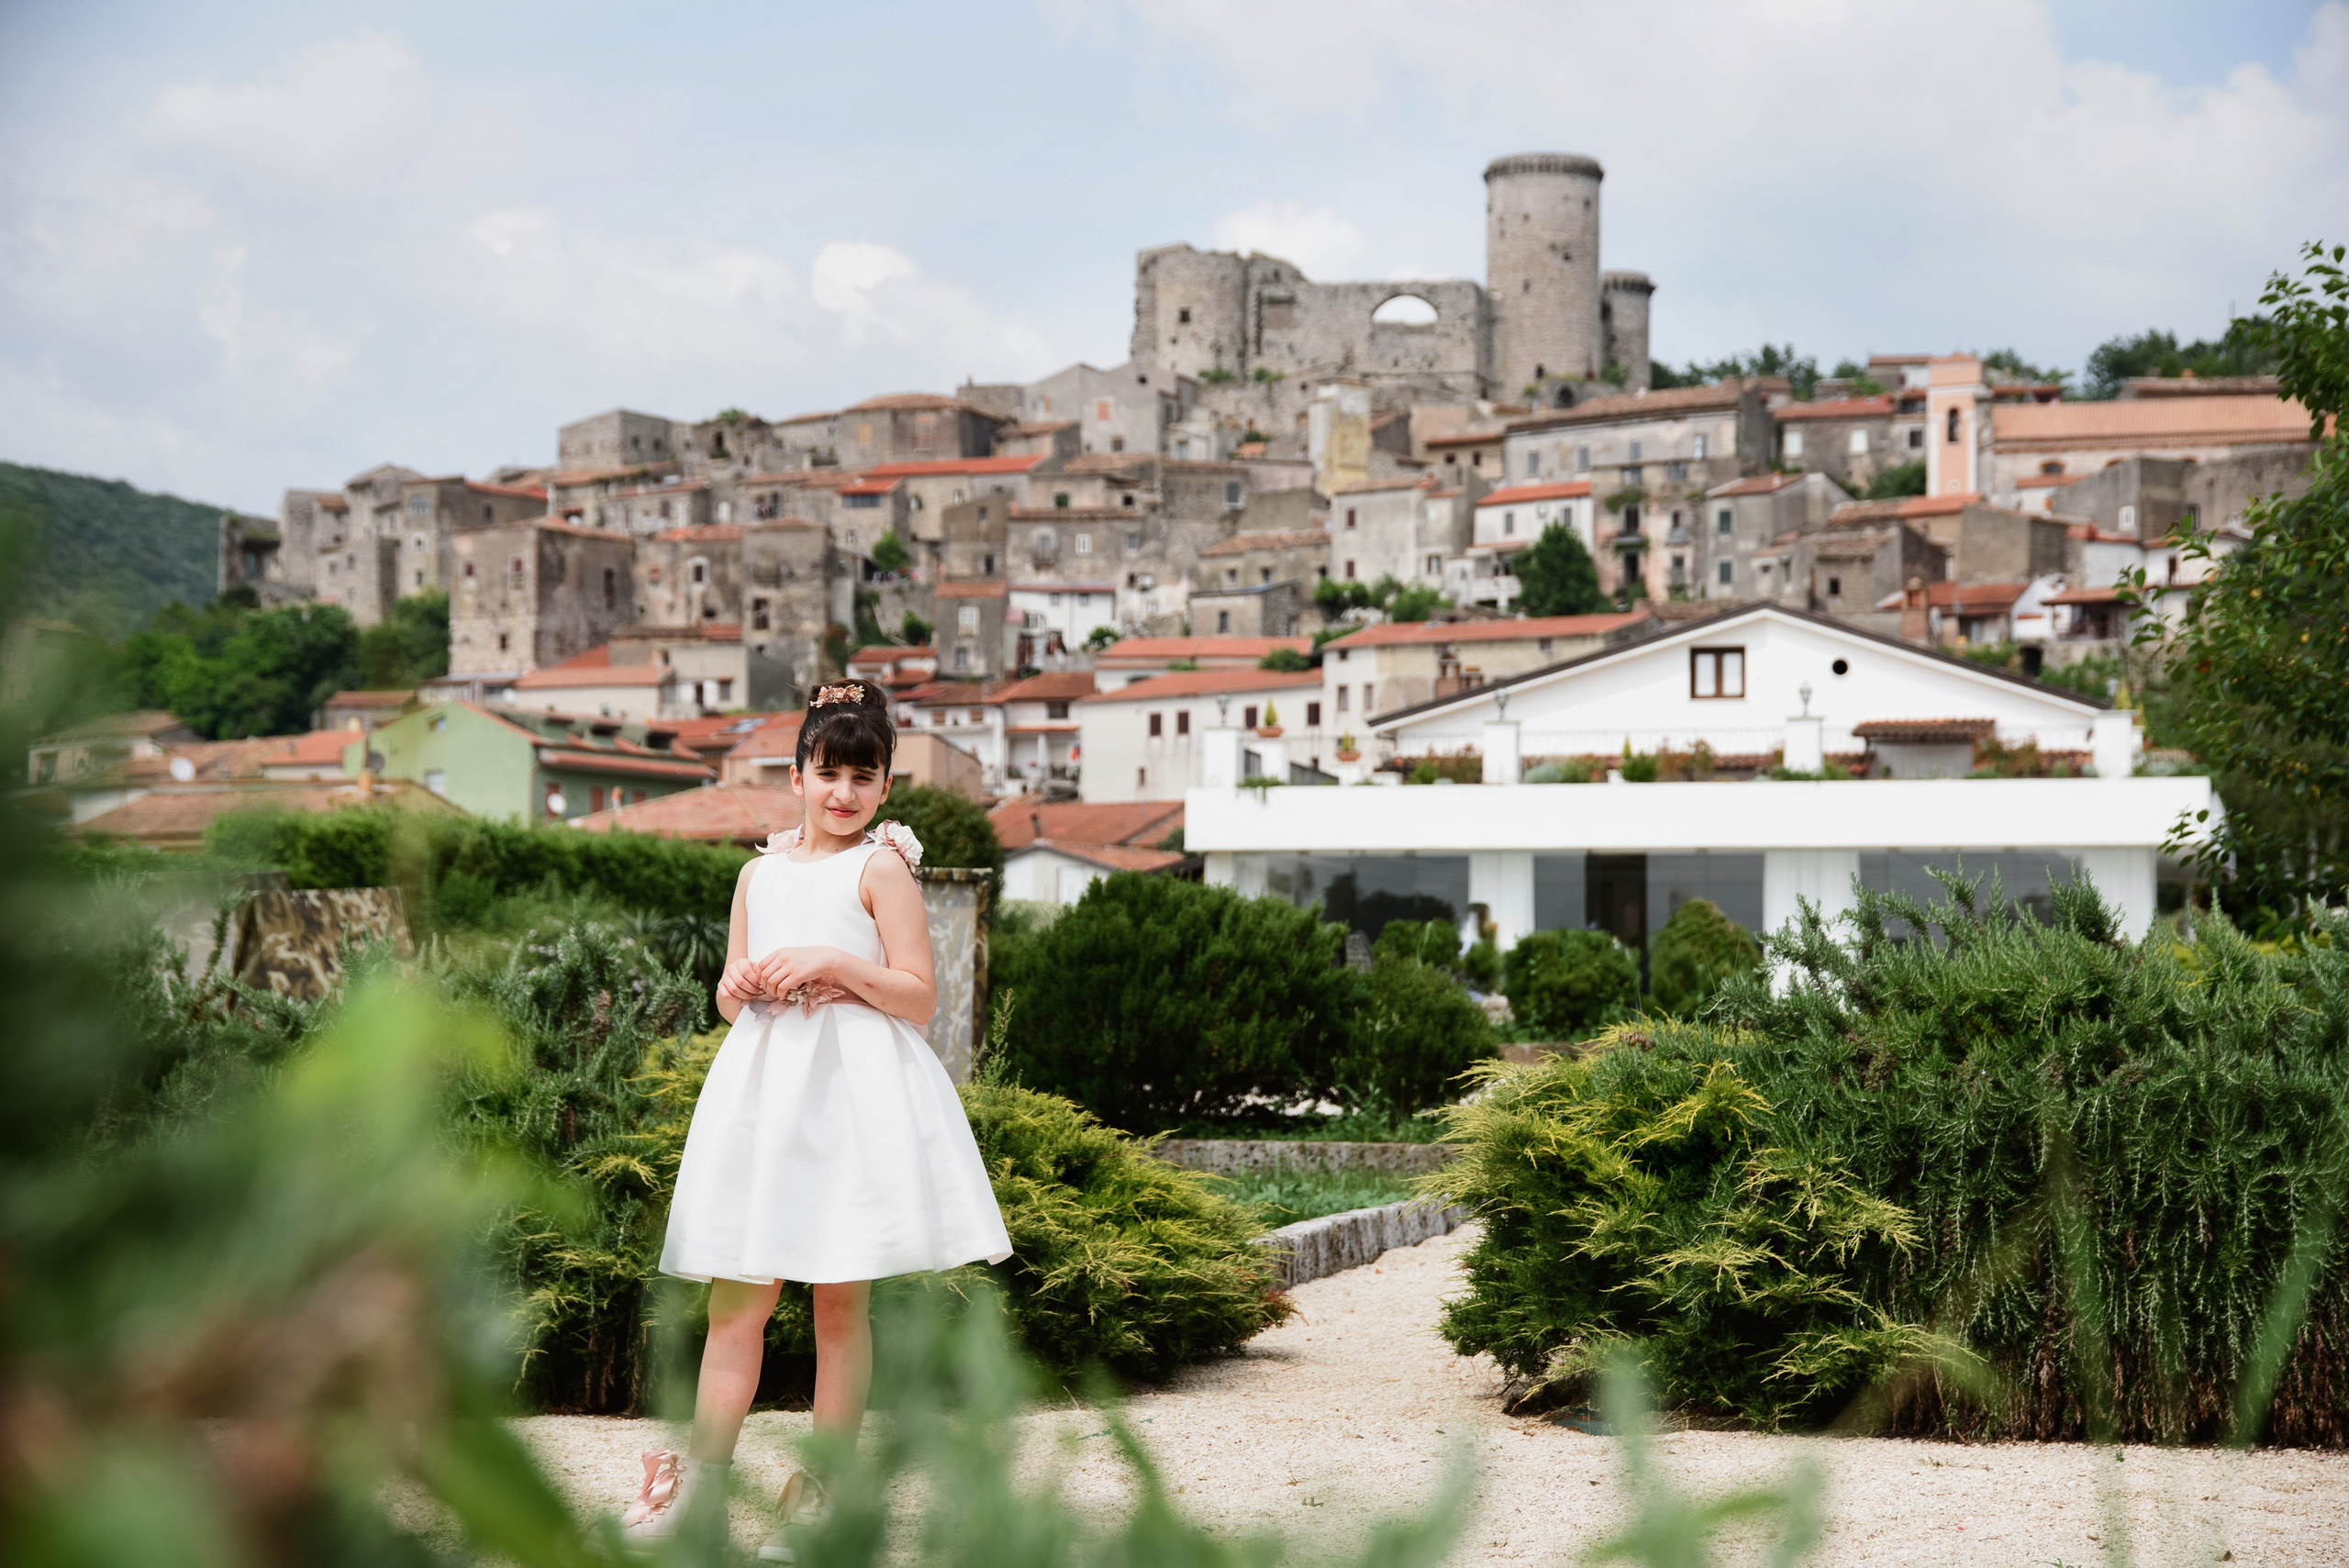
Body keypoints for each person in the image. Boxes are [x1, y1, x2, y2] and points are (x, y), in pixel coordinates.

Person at [618, 679, 1012, 1560]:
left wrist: (839, 959)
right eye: (827, 772)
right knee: (738, 1301)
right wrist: (735, 987)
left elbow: (918, 996)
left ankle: (819, 1492)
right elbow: (730, 991)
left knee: (839, 1304)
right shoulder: (756, 873)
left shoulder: (881, 869)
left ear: (883, 789)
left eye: (862, 777)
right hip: (764, 1095)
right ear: (796, 773)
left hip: (851, 1097)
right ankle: (702, 1486)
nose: (842, 793)